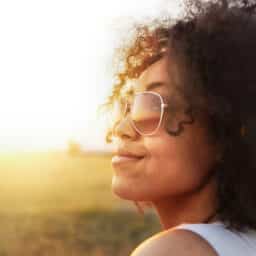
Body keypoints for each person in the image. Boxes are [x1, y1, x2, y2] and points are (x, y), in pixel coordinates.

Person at [100, 0, 256, 255]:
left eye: (153, 106)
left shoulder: (170, 251)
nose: (122, 128)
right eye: (128, 105)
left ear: (224, 132)